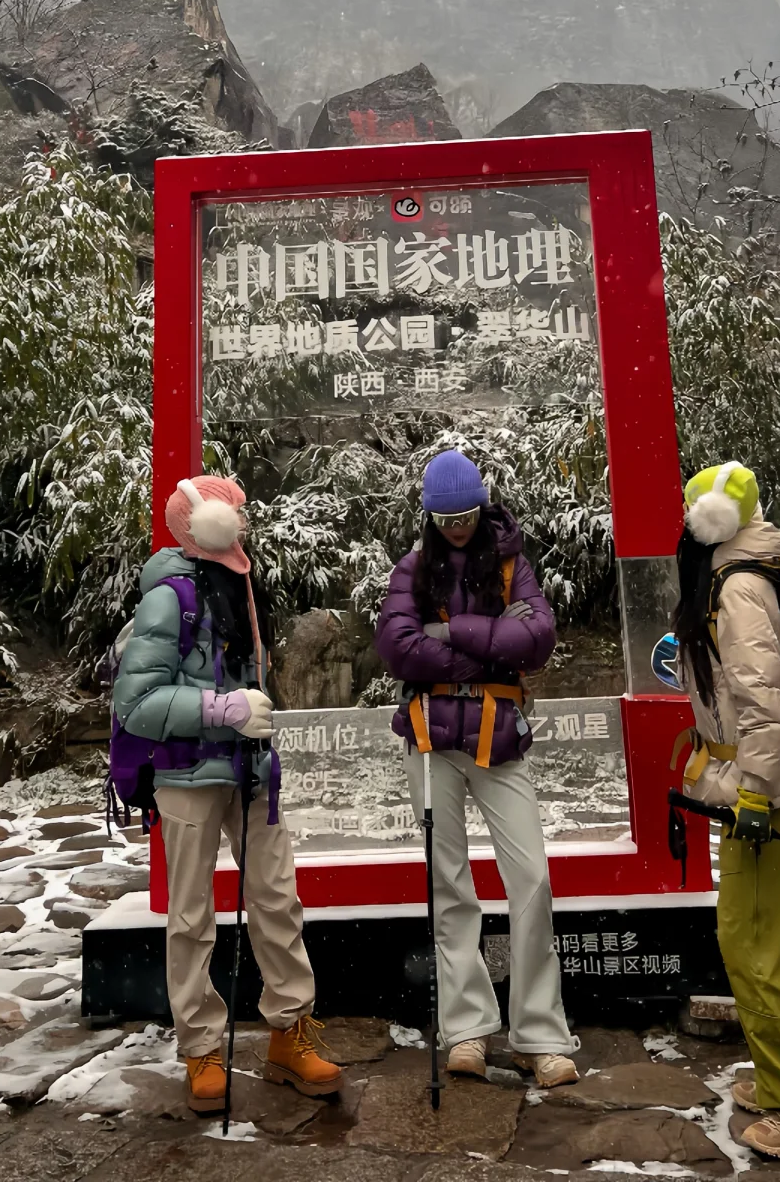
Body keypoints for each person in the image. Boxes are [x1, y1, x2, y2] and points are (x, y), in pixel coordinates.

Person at [112, 473, 342, 1114]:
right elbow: (136, 702)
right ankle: (201, 1049)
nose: (242, 521)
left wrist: (251, 714)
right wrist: (223, 709)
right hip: (187, 774)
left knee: (277, 899)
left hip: (251, 771)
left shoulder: (241, 586)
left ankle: (290, 1032)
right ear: (204, 524)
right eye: (232, 513)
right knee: (190, 916)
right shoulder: (169, 598)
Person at [375, 449, 578, 1088]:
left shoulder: (513, 563)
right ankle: (466, 1030)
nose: (458, 528)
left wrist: (447, 633)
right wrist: (489, 643)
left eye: (465, 515)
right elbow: (397, 650)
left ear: (482, 508)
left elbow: (538, 641)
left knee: (532, 877)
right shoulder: (412, 568)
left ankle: (540, 1034)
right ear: (429, 517)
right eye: (446, 519)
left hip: (499, 735)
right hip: (430, 739)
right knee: (449, 885)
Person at [673, 461, 780, 1161]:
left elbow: (764, 704)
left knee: (756, 947)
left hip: (758, 790)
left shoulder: (737, 587)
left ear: (709, 520)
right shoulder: (755, 570)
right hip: (760, 783)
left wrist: (753, 794)